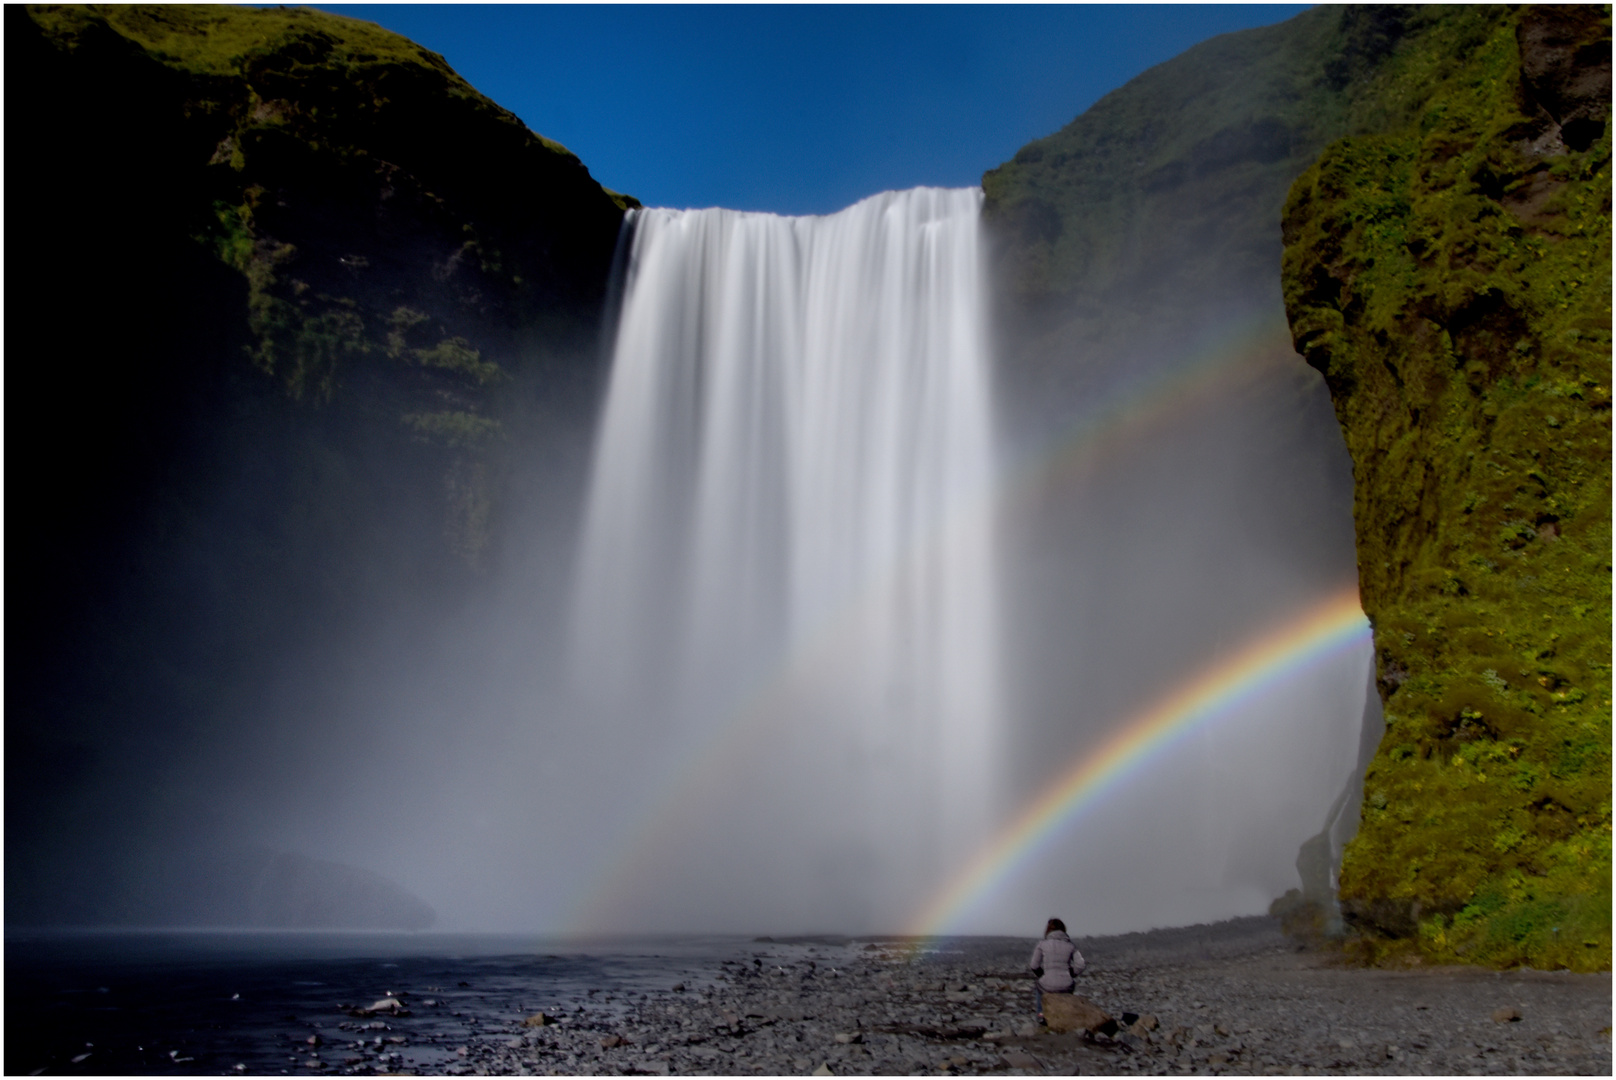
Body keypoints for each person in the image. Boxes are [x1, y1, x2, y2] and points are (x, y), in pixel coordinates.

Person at [1028, 917, 1085, 1023]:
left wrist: (1043, 975)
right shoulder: (1071, 945)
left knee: (1039, 988)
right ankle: (1066, 1016)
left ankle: (1041, 1015)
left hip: (1047, 984)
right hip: (1066, 985)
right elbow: (1081, 964)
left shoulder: (1042, 944)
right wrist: (1071, 974)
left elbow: (1034, 965)